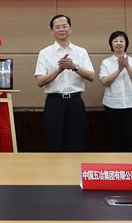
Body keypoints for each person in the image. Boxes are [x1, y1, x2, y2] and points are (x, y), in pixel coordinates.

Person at [35, 14, 94, 152]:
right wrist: (58, 70)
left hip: (75, 101)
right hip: (54, 102)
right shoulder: (44, 53)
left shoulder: (81, 52)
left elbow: (91, 76)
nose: (61, 30)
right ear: (52, 31)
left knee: (77, 141)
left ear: (70, 28)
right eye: (57, 27)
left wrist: (74, 67)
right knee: (54, 142)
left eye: (64, 26)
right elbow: (40, 81)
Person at [99, 30, 132, 151]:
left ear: (126, 43)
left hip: (131, 105)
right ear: (111, 44)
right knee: (115, 138)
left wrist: (127, 66)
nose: (118, 43)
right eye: (115, 41)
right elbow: (104, 82)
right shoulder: (106, 62)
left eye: (121, 41)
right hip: (112, 105)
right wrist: (119, 69)